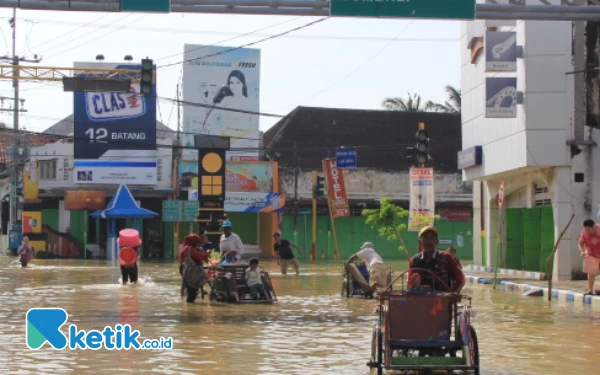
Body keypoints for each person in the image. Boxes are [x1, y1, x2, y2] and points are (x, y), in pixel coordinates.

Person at [409, 226, 465, 293]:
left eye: (432, 238)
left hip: (443, 300)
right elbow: (410, 283)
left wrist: (453, 294)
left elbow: (461, 279)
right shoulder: (414, 260)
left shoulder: (446, 257)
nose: (429, 241)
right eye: (425, 238)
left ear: (437, 241)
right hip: (421, 300)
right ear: (420, 241)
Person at [179, 234, 212, 303]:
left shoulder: (185, 248)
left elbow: (181, 259)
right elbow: (200, 256)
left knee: (190, 292)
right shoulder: (192, 249)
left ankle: (187, 308)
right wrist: (206, 253)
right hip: (192, 274)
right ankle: (189, 311)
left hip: (186, 273)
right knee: (192, 295)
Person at [578, 219, 600, 296]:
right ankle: (590, 290)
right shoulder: (584, 232)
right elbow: (580, 244)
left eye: (589, 229)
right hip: (591, 254)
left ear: (593, 226)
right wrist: (582, 251)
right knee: (590, 273)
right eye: (586, 229)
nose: (587, 231)